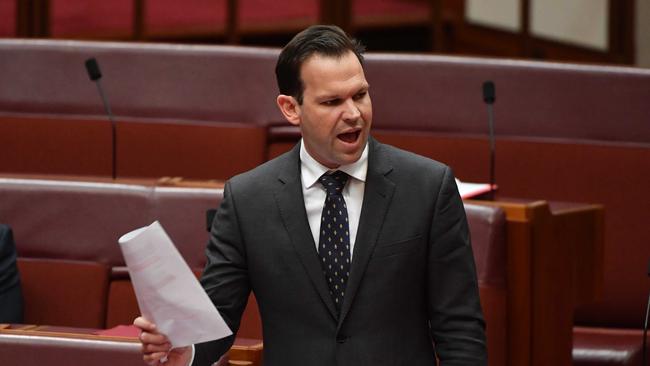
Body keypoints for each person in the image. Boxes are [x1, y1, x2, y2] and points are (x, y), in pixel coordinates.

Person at [135, 25, 487, 366]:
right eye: (332, 101)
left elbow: (460, 329)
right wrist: (187, 352)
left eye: (360, 95)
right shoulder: (248, 200)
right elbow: (218, 317)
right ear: (291, 109)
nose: (353, 114)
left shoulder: (428, 187)